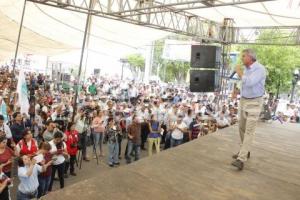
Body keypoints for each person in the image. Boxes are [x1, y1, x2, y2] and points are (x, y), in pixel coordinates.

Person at [232, 49, 266, 170]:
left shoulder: (260, 69)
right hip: (244, 100)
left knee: (249, 130)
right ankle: (245, 150)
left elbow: (250, 82)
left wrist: (240, 73)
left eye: (243, 56)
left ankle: (241, 159)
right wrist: (236, 90)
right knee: (241, 127)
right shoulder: (246, 69)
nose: (241, 58)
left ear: (251, 58)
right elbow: (244, 83)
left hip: (255, 101)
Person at [0, 136, 15, 200]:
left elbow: (15, 155)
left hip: (8, 171)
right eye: (3, 142)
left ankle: (8, 195)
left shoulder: (7, 148)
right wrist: (6, 163)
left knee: (8, 184)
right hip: (1, 173)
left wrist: (15, 147)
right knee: (3, 186)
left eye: (6, 142)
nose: (5, 144)